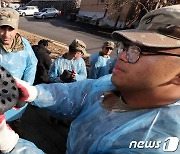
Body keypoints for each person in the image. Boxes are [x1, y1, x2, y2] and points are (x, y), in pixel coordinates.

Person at [4, 4, 180, 153]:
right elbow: (79, 94)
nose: (121, 56)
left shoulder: (160, 140)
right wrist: (35, 92)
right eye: (126, 47)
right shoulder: (109, 84)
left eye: (140, 50)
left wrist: (11, 144)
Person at [0, 7, 37, 130]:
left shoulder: (24, 44)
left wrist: (25, 88)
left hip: (17, 94)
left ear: (16, 29)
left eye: (10, 29)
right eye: (2, 28)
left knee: (14, 125)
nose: (6, 34)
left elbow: (31, 65)